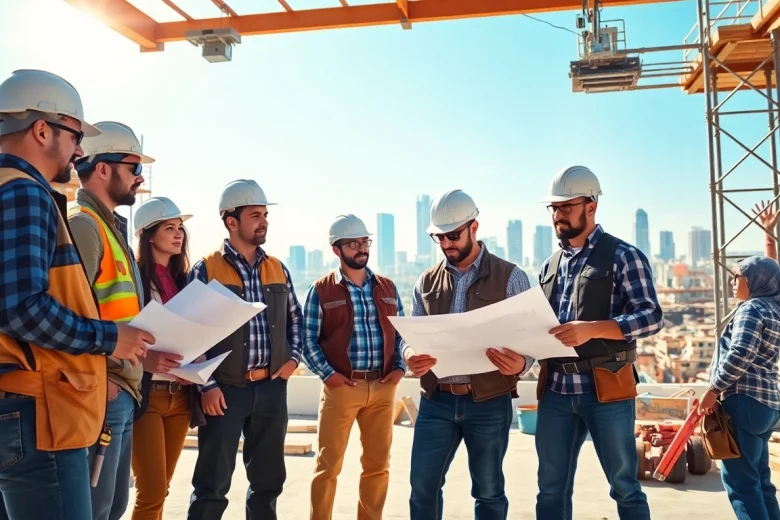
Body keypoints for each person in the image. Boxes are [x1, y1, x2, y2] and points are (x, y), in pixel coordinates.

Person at [0, 69, 151, 519]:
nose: (79, 150)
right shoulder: (24, 191)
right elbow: (22, 308)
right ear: (41, 129)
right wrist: (111, 338)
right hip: (41, 415)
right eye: (73, 135)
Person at [536, 166, 663, 520]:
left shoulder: (624, 255)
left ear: (591, 206)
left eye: (566, 206)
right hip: (556, 390)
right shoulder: (550, 265)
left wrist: (592, 329)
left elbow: (651, 317)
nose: (558, 215)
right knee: (550, 489)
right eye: (554, 208)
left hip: (605, 388)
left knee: (624, 486)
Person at [403, 189, 532, 520]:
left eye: (453, 235)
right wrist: (409, 354)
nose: (446, 244)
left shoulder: (512, 278)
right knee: (422, 489)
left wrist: (522, 363)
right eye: (439, 238)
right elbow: (410, 336)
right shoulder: (425, 281)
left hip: (488, 403)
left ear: (474, 227)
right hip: (436, 401)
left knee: (488, 493)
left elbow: (532, 340)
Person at [68, 121, 173, 520]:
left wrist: (140, 359)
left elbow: (117, 312)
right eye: (132, 167)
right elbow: (71, 316)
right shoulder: (85, 226)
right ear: (102, 169)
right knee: (96, 510)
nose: (139, 177)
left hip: (123, 388)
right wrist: (105, 379)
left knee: (114, 507)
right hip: (103, 392)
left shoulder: (112, 231)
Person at [187, 179, 304, 520]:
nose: (263, 221)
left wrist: (293, 361)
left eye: (265, 214)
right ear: (231, 221)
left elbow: (295, 320)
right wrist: (205, 385)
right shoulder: (207, 269)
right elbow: (188, 331)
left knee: (268, 483)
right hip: (224, 392)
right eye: (255, 214)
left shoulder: (277, 268)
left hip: (271, 388)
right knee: (212, 484)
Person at [303, 214, 408, 520]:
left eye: (365, 242)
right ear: (337, 250)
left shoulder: (387, 287)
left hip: (383, 388)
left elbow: (402, 333)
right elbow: (308, 340)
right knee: (328, 467)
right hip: (342, 390)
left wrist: (400, 369)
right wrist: (329, 376)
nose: (362, 249)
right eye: (353, 244)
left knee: (378, 466)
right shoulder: (321, 290)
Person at [131, 196, 201, 520]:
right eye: (169, 228)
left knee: (164, 488)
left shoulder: (186, 280)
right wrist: (144, 360)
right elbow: (123, 333)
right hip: (147, 397)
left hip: (181, 396)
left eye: (180, 229)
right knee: (152, 491)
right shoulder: (136, 279)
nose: (178, 234)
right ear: (148, 234)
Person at [697, 256, 780, 520]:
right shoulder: (774, 309)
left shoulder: (752, 309)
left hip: (744, 401)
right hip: (766, 406)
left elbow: (740, 353)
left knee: (741, 485)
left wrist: (712, 389)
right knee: (761, 483)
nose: (733, 282)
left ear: (754, 281)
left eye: (738, 277)